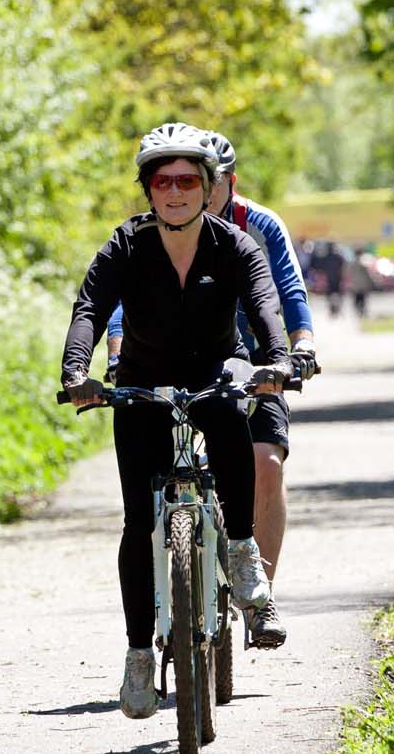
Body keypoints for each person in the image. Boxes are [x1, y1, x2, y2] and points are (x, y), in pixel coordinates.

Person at [61, 122, 291, 720]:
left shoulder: (234, 246)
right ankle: (140, 656)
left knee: (229, 418)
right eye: (163, 181)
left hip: (215, 372)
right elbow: (91, 307)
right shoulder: (125, 247)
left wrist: (277, 361)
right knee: (140, 520)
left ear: (208, 185)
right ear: (148, 190)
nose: (176, 191)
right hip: (142, 382)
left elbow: (265, 304)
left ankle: (242, 554)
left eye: (189, 179)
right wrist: (76, 374)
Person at [104, 130, 317, 623]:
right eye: (169, 181)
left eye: (200, 182)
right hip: (173, 359)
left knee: (265, 460)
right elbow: (122, 301)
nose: (186, 193)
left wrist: (299, 344)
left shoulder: (256, 226)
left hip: (255, 357)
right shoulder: (147, 235)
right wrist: (116, 353)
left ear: (224, 182)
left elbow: (286, 289)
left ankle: (259, 594)